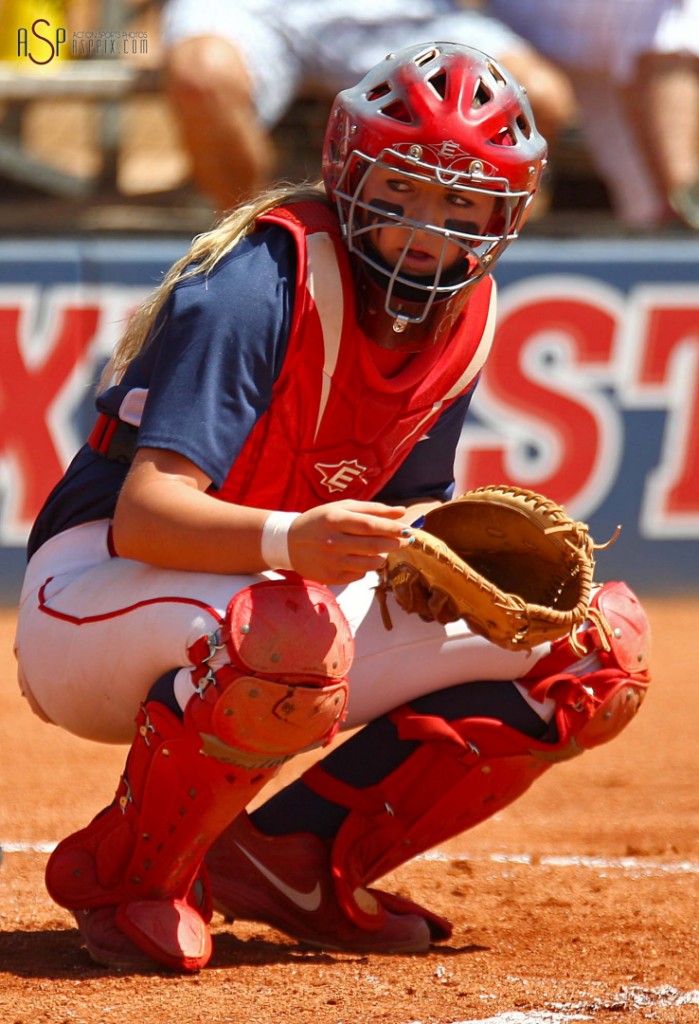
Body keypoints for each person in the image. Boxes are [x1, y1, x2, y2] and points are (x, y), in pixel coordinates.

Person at [14, 42, 650, 973]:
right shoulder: (256, 284)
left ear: (504, 216)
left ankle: (295, 861)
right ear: (346, 172)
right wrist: (293, 540)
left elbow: (407, 501)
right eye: (402, 192)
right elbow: (146, 516)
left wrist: (430, 553)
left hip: (276, 589)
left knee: (593, 653)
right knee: (285, 638)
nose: (428, 229)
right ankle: (130, 877)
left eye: (461, 203)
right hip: (94, 592)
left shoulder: (464, 314)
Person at [161, 0, 576, 210]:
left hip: (403, 13)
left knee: (536, 96)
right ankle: (250, 246)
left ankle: (455, 249)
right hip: (258, 9)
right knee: (202, 76)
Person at [488, 0, 699, 230]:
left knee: (644, 210)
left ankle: (684, 214)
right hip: (516, 19)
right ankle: (689, 210)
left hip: (621, 35)